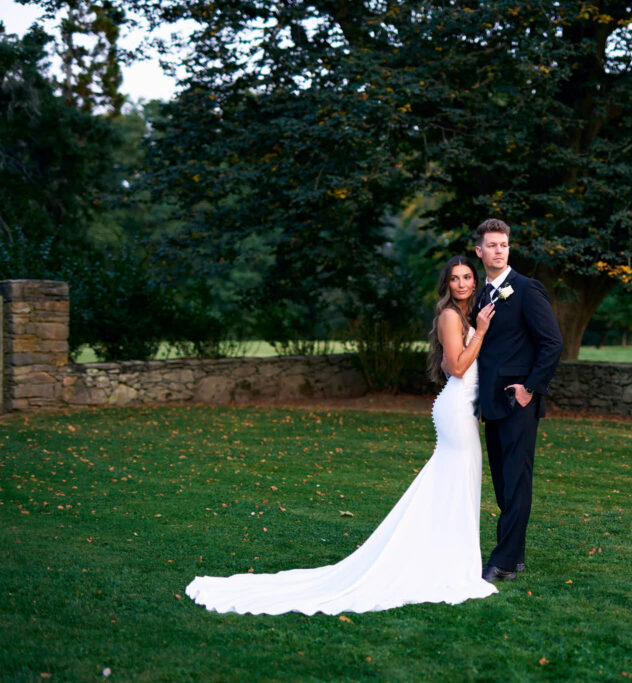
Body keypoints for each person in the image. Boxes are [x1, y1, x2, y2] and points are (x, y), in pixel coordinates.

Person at [185, 256, 499, 615]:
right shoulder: (450, 316)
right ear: (447, 284)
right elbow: (457, 368)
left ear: (475, 283)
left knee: (455, 483)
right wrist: (483, 333)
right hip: (457, 410)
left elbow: (447, 362)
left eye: (467, 277)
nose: (462, 283)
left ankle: (449, 559)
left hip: (461, 410)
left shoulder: (462, 317)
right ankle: (447, 566)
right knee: (457, 481)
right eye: (455, 278)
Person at [474, 219, 562, 583]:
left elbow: (552, 343)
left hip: (518, 403)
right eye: (492, 244)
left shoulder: (526, 289)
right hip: (492, 404)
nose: (499, 250)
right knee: (503, 484)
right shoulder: (481, 295)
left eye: (504, 244)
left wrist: (530, 388)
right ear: (479, 251)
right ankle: (515, 556)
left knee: (517, 480)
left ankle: (504, 560)